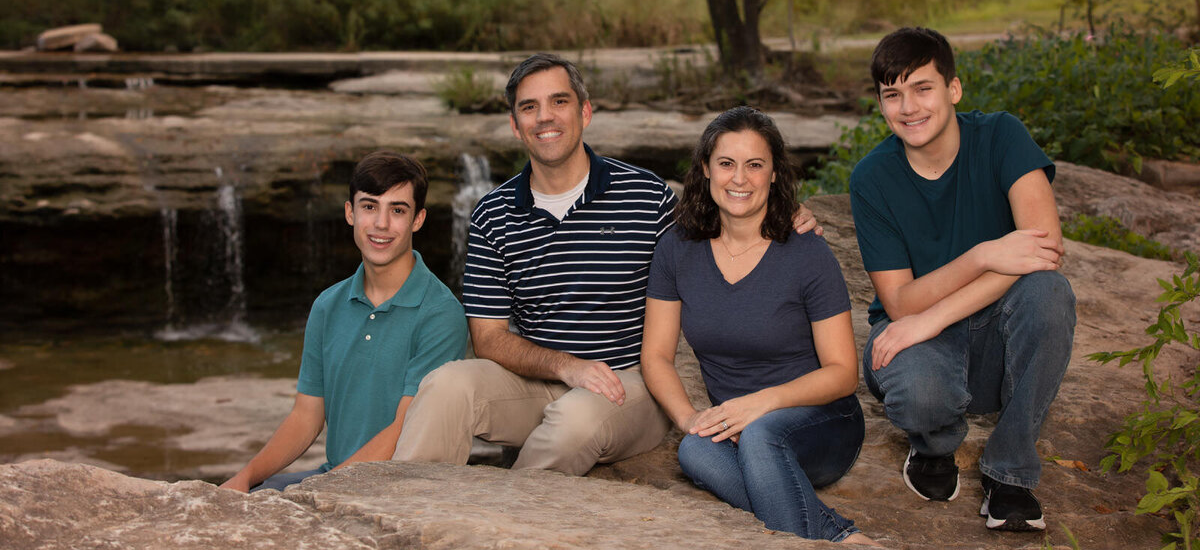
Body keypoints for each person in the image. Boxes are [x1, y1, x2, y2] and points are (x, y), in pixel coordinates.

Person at [393, 53, 819, 475]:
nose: (545, 117)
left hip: (629, 383)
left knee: (574, 421)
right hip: (534, 383)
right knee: (445, 384)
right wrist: (565, 366)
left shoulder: (647, 197)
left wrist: (783, 216)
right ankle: (407, 510)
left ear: (585, 111)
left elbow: (724, 234)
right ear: (514, 124)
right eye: (529, 107)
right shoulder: (493, 213)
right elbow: (487, 339)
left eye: (559, 102)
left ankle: (499, 525)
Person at [849, 27, 1075, 532]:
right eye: (893, 94)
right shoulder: (872, 178)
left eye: (922, 88)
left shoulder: (1001, 136)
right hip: (921, 345)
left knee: (1049, 293)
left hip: (993, 338)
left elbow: (1044, 251)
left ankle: (1009, 472)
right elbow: (900, 301)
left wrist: (927, 318)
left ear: (953, 89)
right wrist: (984, 254)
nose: (908, 107)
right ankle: (933, 445)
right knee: (920, 390)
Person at [642, 106, 874, 545]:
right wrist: (688, 417)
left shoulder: (806, 252)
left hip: (821, 423)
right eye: (727, 163)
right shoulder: (677, 248)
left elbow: (844, 373)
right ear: (706, 169)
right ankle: (833, 534)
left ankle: (828, 532)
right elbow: (655, 356)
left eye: (755, 165)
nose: (739, 179)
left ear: (773, 174)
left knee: (761, 435)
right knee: (694, 449)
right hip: (737, 429)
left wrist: (762, 404)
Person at [221, 151, 468, 492]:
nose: (381, 224)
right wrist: (245, 478)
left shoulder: (440, 313)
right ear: (350, 213)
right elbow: (306, 417)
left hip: (405, 489)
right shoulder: (328, 305)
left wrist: (322, 490)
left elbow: (404, 430)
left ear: (418, 219)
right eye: (369, 206)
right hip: (335, 475)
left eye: (397, 210)